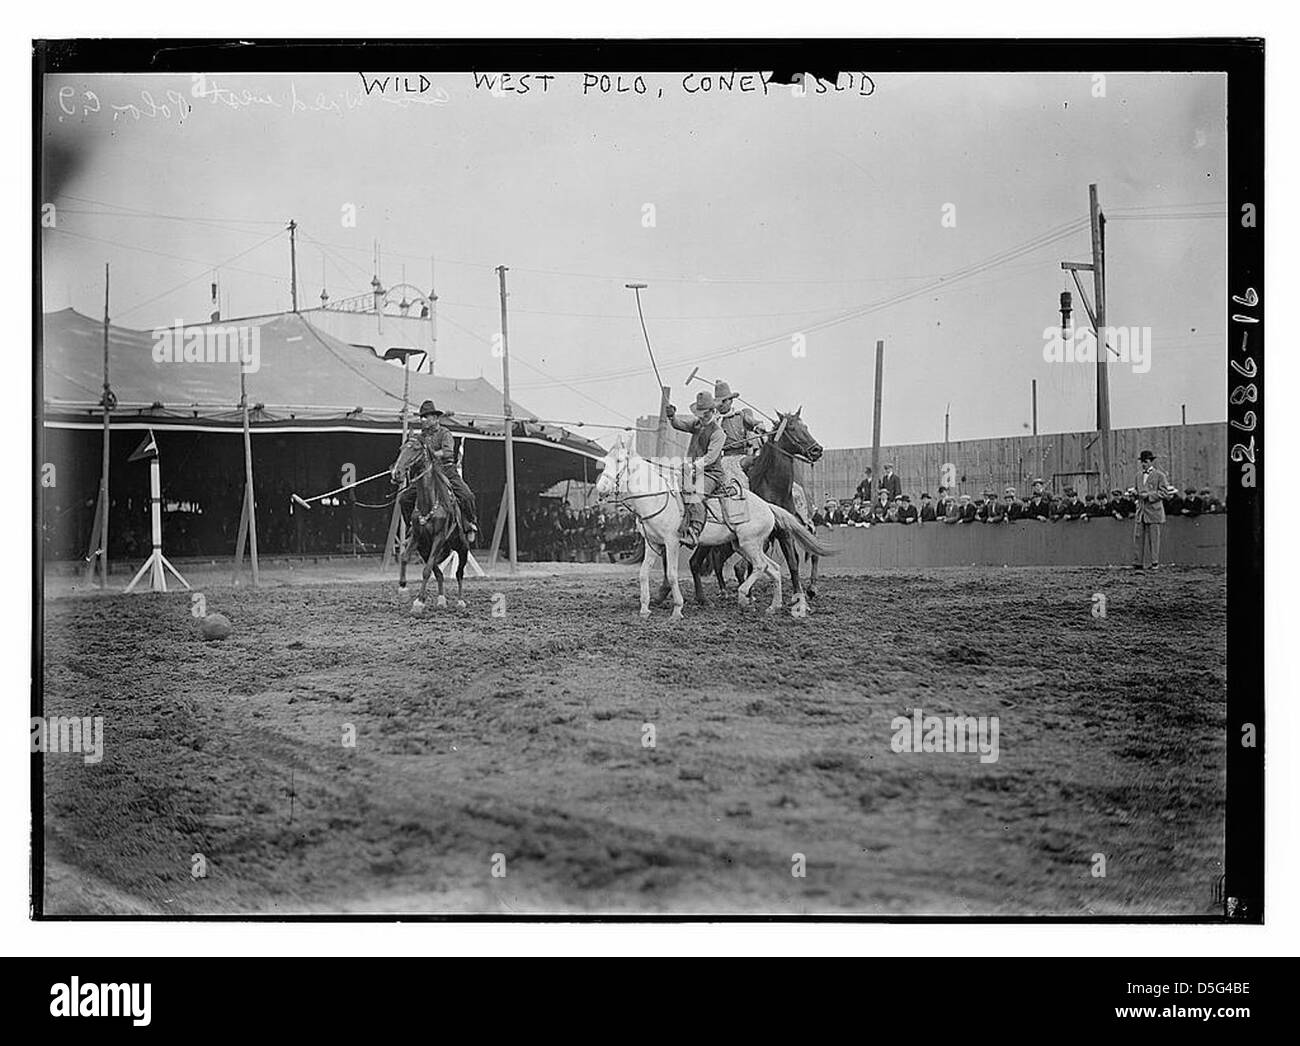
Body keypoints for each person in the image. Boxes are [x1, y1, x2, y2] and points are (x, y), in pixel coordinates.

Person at [394, 399, 479, 543]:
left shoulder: (445, 433)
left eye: (426, 416)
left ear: (435, 418)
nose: (423, 420)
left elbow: (448, 453)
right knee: (404, 499)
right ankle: (412, 529)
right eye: (422, 417)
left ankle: (470, 523)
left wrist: (430, 453)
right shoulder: (421, 437)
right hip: (427, 474)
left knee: (467, 496)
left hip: (446, 470)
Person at [666, 390, 726, 545]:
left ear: (712, 411)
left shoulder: (718, 433)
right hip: (693, 471)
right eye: (699, 413)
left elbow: (711, 458)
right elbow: (679, 425)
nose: (701, 416)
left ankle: (695, 530)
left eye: (704, 413)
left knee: (695, 493)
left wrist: (692, 466)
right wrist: (672, 417)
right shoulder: (697, 424)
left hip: (712, 474)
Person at [713, 380, 767, 493]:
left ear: (731, 401)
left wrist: (758, 426)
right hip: (726, 459)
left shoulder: (740, 416)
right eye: (719, 402)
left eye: (724, 401)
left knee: (761, 463)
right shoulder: (714, 422)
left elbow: (755, 423)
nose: (721, 404)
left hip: (743, 455)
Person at [1133, 449, 1171, 570]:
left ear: (1151, 462)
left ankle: (1154, 562)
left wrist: (1149, 495)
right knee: (1138, 537)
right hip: (1141, 511)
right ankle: (1138, 562)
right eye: (1142, 462)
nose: (1143, 464)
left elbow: (1164, 492)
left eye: (1146, 461)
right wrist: (1135, 493)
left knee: (1154, 539)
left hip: (1154, 511)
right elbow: (1136, 489)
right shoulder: (1138, 475)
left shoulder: (1160, 475)